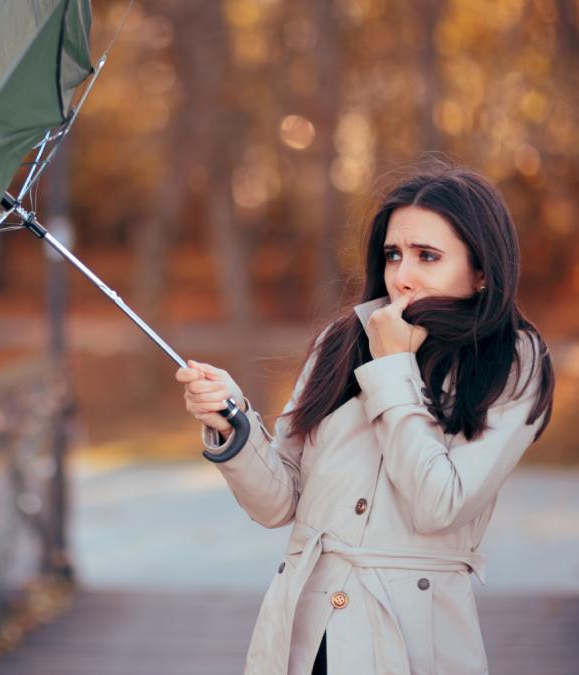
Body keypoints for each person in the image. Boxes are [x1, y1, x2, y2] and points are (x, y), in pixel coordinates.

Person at [176, 164, 555, 675]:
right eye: (393, 254)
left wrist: (393, 368)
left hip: (414, 638)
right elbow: (279, 502)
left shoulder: (510, 359)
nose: (402, 275)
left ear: (482, 269)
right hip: (308, 628)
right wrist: (232, 423)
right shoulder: (344, 339)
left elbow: (439, 505)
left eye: (428, 256)